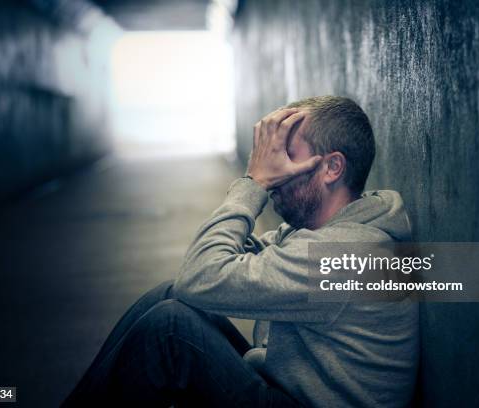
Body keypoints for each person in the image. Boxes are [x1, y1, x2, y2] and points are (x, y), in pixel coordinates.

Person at [62, 96, 419, 407]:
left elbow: (202, 276)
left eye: (285, 156)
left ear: (332, 167)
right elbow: (224, 262)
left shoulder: (341, 256)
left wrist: (255, 183)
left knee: (170, 328)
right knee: (169, 296)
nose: (274, 169)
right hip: (290, 391)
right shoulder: (334, 231)